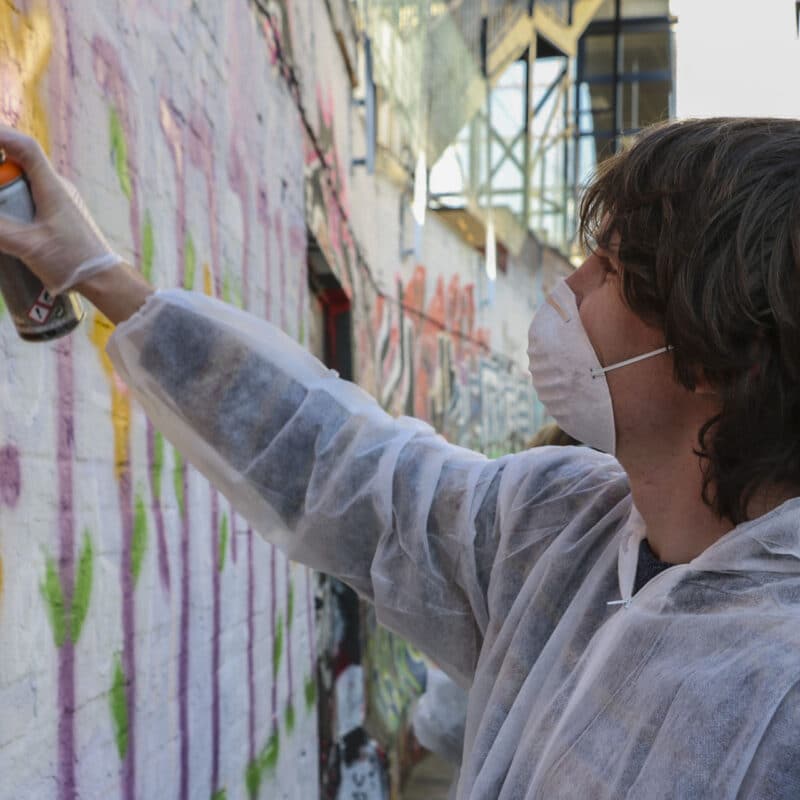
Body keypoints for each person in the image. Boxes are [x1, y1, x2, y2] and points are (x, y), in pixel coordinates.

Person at [2, 117, 800, 798]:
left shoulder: (780, 690)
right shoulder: (562, 529)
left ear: (714, 354)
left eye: (612, 270)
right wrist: (96, 274)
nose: (572, 284)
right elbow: (336, 465)